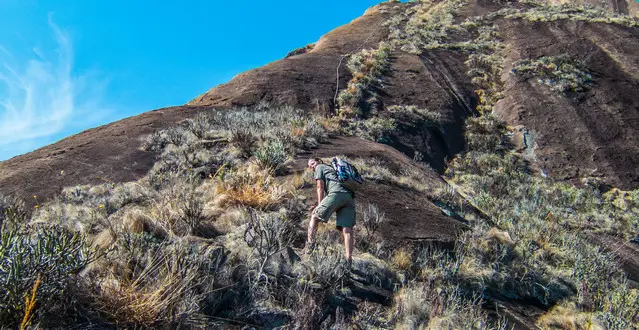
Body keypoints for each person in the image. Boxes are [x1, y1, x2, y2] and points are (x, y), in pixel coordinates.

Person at [305, 157, 356, 266]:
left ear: (318, 161)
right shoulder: (333, 169)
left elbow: (320, 187)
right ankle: (349, 259)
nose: (312, 167)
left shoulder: (320, 167)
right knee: (347, 229)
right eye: (310, 167)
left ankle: (310, 247)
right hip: (349, 197)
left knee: (314, 216)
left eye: (313, 164)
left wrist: (319, 205)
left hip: (336, 193)